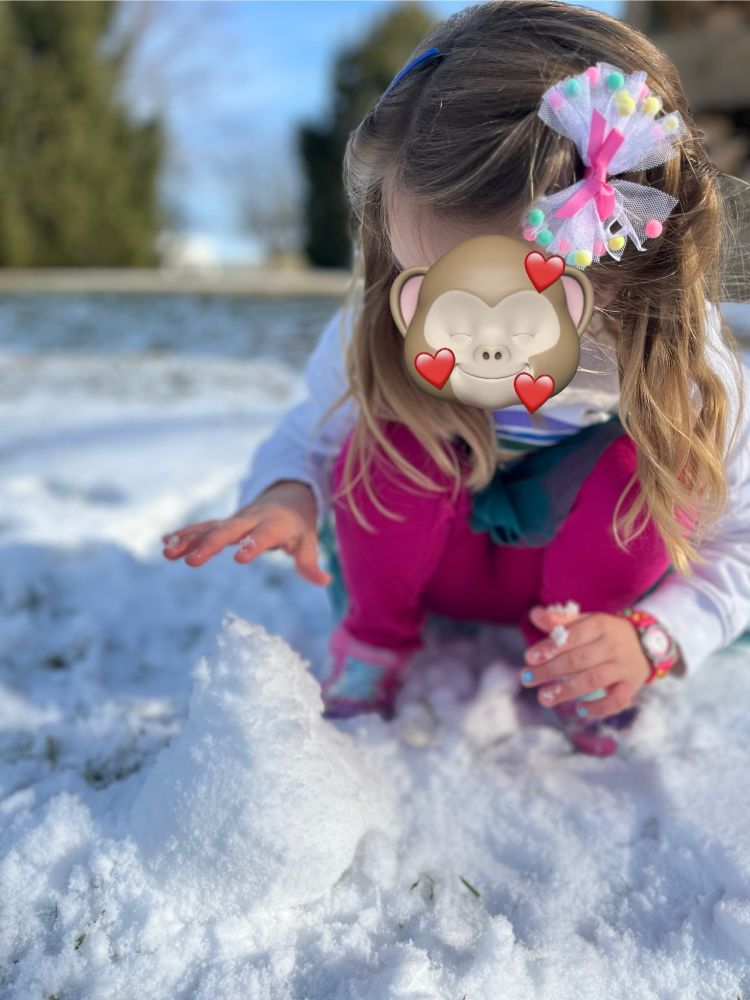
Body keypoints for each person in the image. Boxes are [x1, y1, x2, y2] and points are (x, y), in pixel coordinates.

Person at [162, 0, 750, 757]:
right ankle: (375, 643)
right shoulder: (386, 318)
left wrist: (654, 639)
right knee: (394, 432)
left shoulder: (684, 369)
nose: (463, 333)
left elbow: (738, 541)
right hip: (430, 568)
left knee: (650, 463)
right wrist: (290, 490)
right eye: (424, 280)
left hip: (580, 591)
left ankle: (582, 668)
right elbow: (312, 429)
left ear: (614, 266)